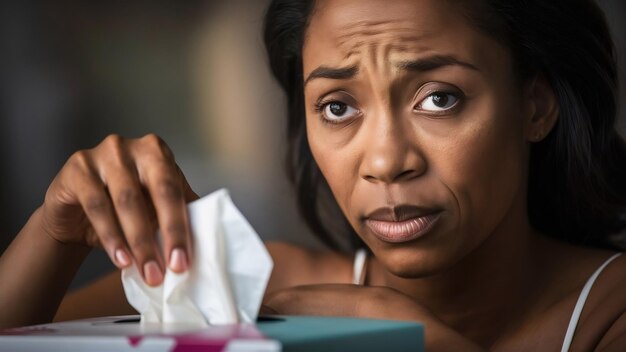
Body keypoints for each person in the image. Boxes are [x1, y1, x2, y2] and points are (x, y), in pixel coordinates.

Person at [1, 0, 625, 350]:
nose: (384, 162)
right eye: (338, 107)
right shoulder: (267, 288)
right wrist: (52, 233)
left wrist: (423, 344)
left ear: (535, 105)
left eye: (438, 98)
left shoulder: (608, 314)